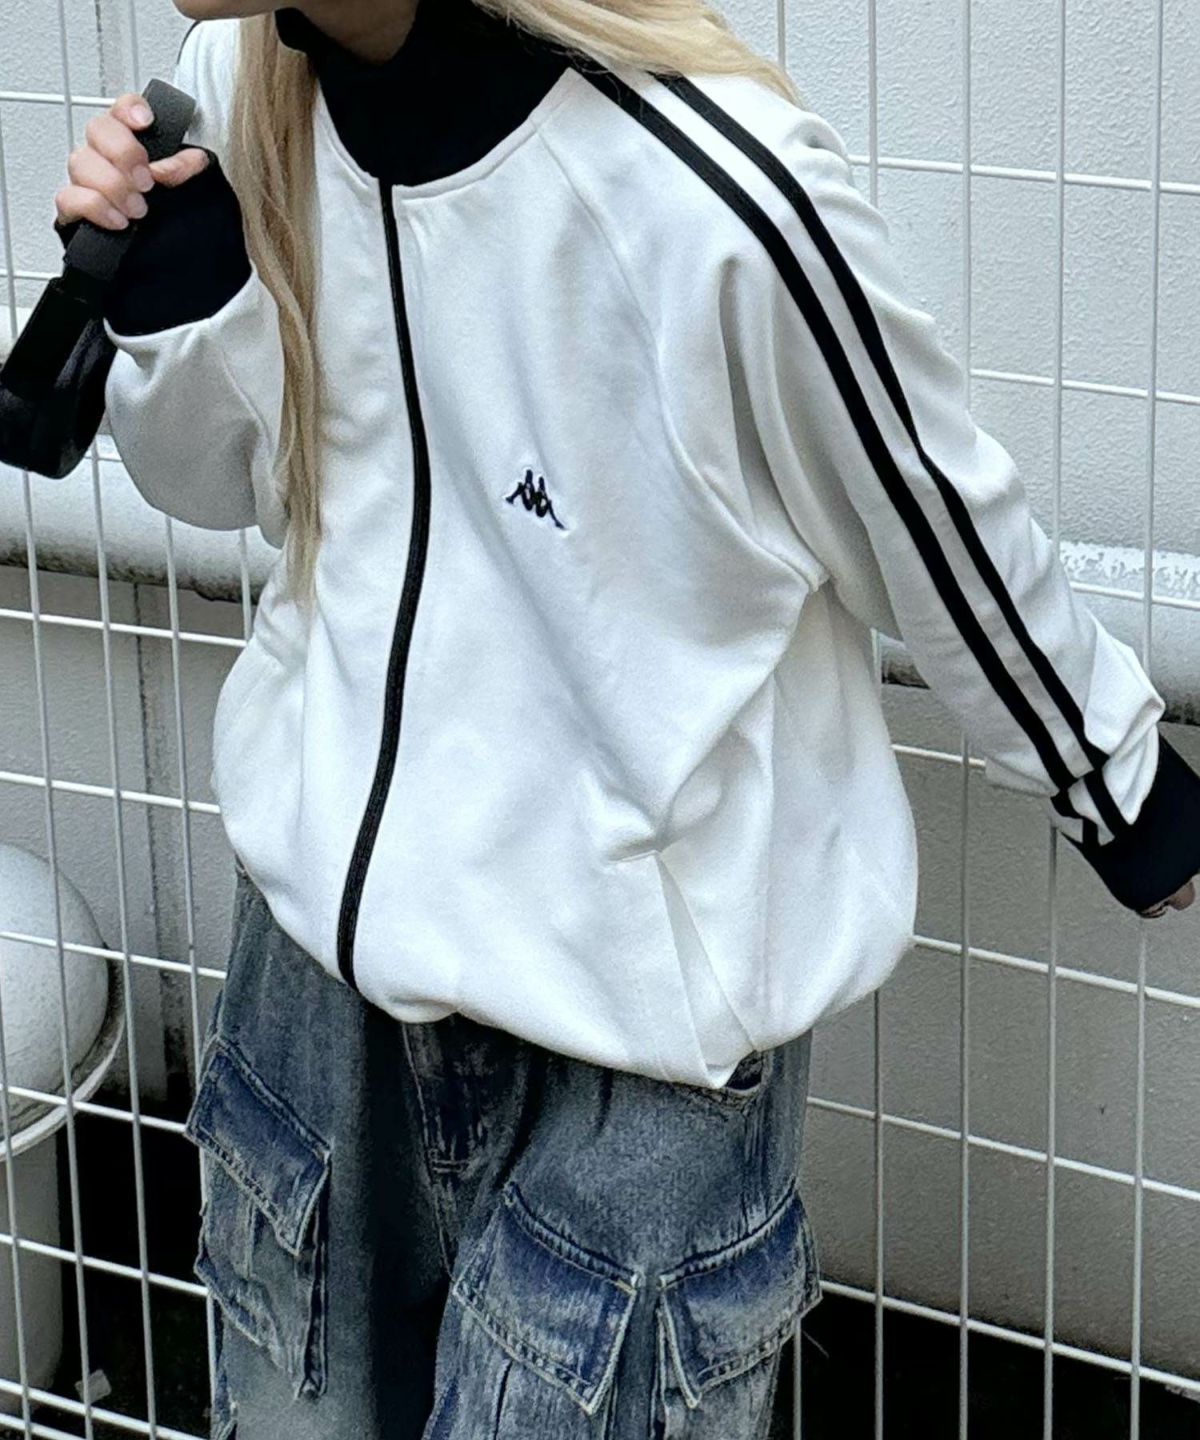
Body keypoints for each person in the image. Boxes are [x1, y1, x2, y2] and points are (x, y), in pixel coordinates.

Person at [52, 1, 1200, 1435]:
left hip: (634, 1063)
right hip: (314, 1001)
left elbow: (930, 520)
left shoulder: (719, 195)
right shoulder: (235, 86)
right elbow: (232, 488)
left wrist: (1125, 790)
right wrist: (181, 312)